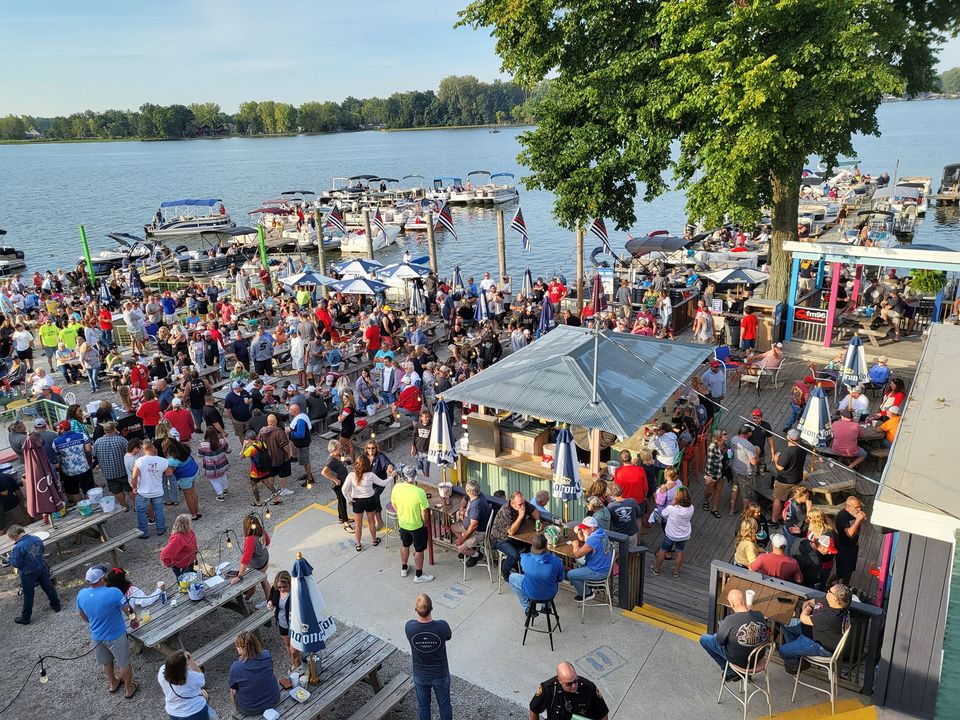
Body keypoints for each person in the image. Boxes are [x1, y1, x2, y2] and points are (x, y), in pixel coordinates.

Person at [77, 565, 138, 699]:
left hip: (97, 637)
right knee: (123, 663)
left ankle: (113, 684)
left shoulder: (81, 594)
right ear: (102, 578)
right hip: (116, 635)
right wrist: (134, 620)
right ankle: (129, 689)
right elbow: (128, 610)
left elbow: (82, 615)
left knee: (106, 662)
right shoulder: (114, 592)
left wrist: (93, 622)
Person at [779, 584, 852, 675]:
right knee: (785, 622)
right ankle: (798, 656)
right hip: (812, 630)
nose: (827, 592)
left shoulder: (831, 617)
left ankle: (795, 666)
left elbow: (804, 618)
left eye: (830, 592)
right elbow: (811, 602)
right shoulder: (830, 601)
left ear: (836, 599)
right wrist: (807, 605)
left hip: (820, 645)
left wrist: (808, 609)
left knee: (783, 650)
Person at [699, 589, 769, 680]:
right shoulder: (759, 615)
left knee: (704, 639)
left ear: (731, 604)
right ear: (744, 600)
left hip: (740, 661)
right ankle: (735, 672)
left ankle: (730, 670)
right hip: (757, 658)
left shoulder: (730, 620)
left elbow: (720, 641)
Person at [406, 593, 453, 720]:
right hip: (440, 674)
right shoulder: (442, 626)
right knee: (444, 705)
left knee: (423, 707)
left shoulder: (409, 627)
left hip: (420, 675)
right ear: (432, 608)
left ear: (416, 610)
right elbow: (448, 636)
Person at [7, 524, 61, 624]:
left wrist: (10, 559)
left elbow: (17, 564)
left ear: (14, 536)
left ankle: (26, 617)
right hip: (41, 566)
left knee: (28, 595)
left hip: (28, 573)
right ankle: (56, 606)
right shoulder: (36, 538)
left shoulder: (18, 547)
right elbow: (42, 550)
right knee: (48, 587)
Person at [390, 466, 434, 583]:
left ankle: (404, 568)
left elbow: (394, 504)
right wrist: (424, 523)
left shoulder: (396, 487)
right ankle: (418, 575)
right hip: (417, 525)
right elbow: (424, 512)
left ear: (402, 477)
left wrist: (401, 513)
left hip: (403, 523)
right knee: (419, 550)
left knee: (405, 545)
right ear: (415, 477)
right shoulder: (420, 492)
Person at [507, 533, 565, 614]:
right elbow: (560, 579)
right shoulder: (556, 561)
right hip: (550, 594)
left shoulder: (525, 559)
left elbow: (525, 570)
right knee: (549, 580)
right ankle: (546, 608)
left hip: (531, 593)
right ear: (546, 546)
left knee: (512, 577)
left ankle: (527, 607)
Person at [529, 662, 610, 720]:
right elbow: (534, 709)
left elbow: (603, 714)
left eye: (575, 681)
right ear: (559, 680)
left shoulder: (588, 688)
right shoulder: (548, 689)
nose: (574, 686)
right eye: (569, 684)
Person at [489, 490, 541, 581]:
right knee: (514, 555)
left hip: (515, 537)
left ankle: (519, 567)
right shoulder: (506, 511)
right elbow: (511, 532)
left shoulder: (523, 504)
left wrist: (538, 521)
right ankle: (505, 572)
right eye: (520, 504)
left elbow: (534, 510)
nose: (522, 506)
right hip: (500, 538)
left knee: (531, 545)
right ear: (513, 503)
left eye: (523, 503)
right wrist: (520, 516)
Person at [342, 453, 389, 551]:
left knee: (358, 525)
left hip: (357, 501)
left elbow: (344, 490)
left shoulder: (351, 475)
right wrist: (392, 476)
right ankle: (374, 540)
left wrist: (349, 499)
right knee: (371, 521)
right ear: (368, 464)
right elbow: (383, 483)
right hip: (370, 500)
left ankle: (358, 544)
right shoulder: (371, 475)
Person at [228, 631, 280, 716]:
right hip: (274, 699)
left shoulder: (236, 667)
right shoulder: (267, 655)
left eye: (237, 647)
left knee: (232, 689)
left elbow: (233, 687)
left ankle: (237, 711)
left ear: (241, 648)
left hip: (251, 709)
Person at [157, 650, 218, 720]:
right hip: (195, 711)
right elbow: (201, 677)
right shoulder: (190, 677)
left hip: (173, 711)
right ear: (182, 669)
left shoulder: (162, 672)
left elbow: (172, 666)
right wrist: (190, 661)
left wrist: (180, 659)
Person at [567, 515, 613, 601]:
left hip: (598, 571)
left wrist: (575, 545)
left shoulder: (593, 539)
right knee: (579, 562)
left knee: (570, 574)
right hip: (605, 566)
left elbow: (577, 554)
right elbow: (586, 541)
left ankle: (587, 593)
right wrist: (581, 533)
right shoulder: (600, 532)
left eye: (585, 528)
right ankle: (588, 586)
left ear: (592, 529)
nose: (583, 530)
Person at [131, 439, 171, 537]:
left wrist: (134, 487)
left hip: (143, 491)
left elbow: (135, 476)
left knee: (141, 512)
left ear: (144, 450)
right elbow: (170, 473)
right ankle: (160, 530)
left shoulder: (139, 461)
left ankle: (144, 533)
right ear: (153, 448)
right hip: (157, 490)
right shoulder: (163, 461)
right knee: (159, 510)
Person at [652, 487, 694, 578]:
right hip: (684, 535)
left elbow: (663, 514)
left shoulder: (671, 508)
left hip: (671, 535)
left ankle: (656, 569)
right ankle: (676, 572)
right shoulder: (691, 508)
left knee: (662, 550)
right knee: (679, 552)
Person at [230, 514, 272, 604]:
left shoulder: (250, 540)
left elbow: (245, 560)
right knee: (264, 579)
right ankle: (268, 600)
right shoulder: (262, 531)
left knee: (252, 582)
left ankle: (249, 599)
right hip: (264, 560)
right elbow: (268, 542)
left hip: (257, 565)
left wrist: (239, 576)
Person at [92, 421, 132, 510]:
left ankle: (124, 506)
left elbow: (94, 455)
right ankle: (137, 505)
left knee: (117, 490)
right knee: (130, 489)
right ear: (114, 429)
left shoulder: (98, 442)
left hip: (108, 472)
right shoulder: (121, 440)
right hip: (123, 470)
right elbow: (130, 452)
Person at [267, 570, 301, 672]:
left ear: (289, 583)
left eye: (284, 587)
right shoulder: (275, 589)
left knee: (294, 649)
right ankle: (294, 663)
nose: (281, 589)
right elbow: (271, 597)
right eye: (279, 587)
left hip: (294, 625)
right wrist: (270, 603)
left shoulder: (295, 593)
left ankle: (297, 664)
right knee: (288, 645)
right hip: (282, 623)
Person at [771, 429, 807, 523]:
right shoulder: (803, 448)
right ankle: (786, 518)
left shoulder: (787, 452)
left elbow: (780, 467)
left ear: (788, 437)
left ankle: (774, 520)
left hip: (785, 481)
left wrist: (776, 459)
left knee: (778, 499)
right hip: (797, 479)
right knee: (791, 500)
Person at [456, 479, 492, 567]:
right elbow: (465, 499)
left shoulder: (476, 506)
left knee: (460, 549)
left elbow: (473, 527)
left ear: (468, 491)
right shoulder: (478, 494)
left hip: (478, 533)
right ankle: (469, 547)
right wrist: (461, 509)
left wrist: (463, 539)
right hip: (469, 527)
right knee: (453, 527)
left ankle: (477, 555)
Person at [834, 496, 868, 584]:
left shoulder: (855, 512)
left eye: (860, 506)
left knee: (850, 570)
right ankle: (829, 582)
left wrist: (862, 516)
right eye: (856, 507)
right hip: (844, 547)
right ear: (848, 507)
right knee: (842, 572)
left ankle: (845, 585)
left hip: (853, 546)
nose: (859, 509)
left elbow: (863, 516)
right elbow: (850, 534)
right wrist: (858, 520)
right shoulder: (842, 516)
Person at [321, 439, 352, 530]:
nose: (341, 448)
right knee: (342, 502)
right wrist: (335, 479)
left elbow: (340, 462)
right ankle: (346, 523)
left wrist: (346, 460)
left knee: (340, 501)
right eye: (339, 448)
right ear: (333, 450)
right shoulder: (331, 460)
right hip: (338, 485)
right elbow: (324, 472)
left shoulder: (337, 456)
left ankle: (341, 518)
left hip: (342, 482)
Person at [729, 424, 759, 513]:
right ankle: (744, 513)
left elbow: (729, 451)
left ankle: (732, 509)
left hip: (734, 469)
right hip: (745, 474)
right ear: (748, 434)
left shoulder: (733, 439)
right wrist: (757, 453)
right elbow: (754, 462)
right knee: (746, 495)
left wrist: (731, 459)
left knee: (734, 489)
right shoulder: (749, 446)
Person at [197, 426, 230, 501]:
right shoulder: (221, 441)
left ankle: (220, 495)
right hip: (222, 464)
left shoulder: (202, 445)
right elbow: (229, 450)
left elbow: (199, 454)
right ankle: (225, 490)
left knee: (214, 480)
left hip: (210, 466)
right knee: (223, 475)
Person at [160, 514, 198, 579]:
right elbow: (164, 554)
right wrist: (169, 564)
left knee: (194, 578)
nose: (191, 524)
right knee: (185, 583)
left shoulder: (190, 532)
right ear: (185, 525)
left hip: (193, 561)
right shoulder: (177, 538)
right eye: (189, 522)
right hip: (183, 566)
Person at [607, 483, 641, 548]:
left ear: (611, 495)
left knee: (617, 555)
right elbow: (638, 518)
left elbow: (609, 523)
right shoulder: (632, 502)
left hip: (618, 537)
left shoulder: (611, 506)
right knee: (632, 554)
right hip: (632, 534)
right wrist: (638, 535)